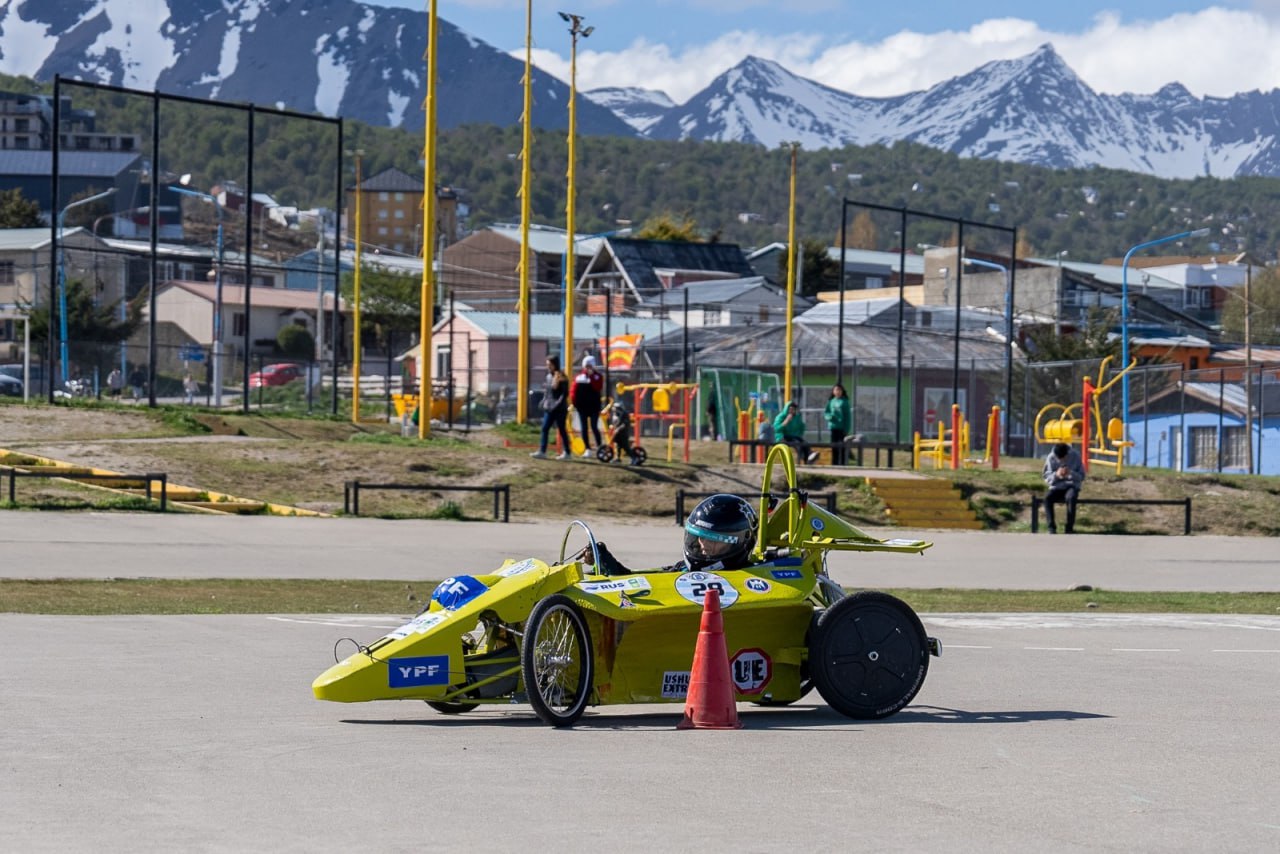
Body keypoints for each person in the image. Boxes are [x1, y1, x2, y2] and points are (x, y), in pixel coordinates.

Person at [588, 493, 759, 576]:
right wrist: (608, 564)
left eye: (715, 539)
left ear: (742, 542)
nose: (703, 544)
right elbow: (641, 581)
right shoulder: (682, 570)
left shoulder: (756, 576)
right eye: (699, 535)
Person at [531, 355, 572, 460]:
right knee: (545, 428)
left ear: (555, 364)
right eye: (547, 364)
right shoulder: (549, 376)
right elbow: (548, 392)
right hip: (549, 407)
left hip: (559, 409)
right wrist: (543, 401)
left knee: (562, 429)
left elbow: (564, 394)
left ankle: (567, 453)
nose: (548, 366)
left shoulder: (561, 376)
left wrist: (557, 404)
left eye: (550, 364)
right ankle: (542, 451)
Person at [1043, 442, 1085, 533]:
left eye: (1064, 458)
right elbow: (1046, 476)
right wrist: (1056, 475)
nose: (1062, 461)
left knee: (1071, 497)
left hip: (1071, 485)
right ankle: (1051, 527)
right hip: (1057, 486)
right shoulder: (1051, 458)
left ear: (1067, 454)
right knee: (1047, 498)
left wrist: (1071, 473)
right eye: (1059, 459)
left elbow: (1082, 476)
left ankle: (1069, 528)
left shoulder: (1075, 456)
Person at [569, 354, 604, 456]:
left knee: (594, 426)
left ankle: (599, 447)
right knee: (584, 427)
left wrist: (591, 377)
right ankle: (587, 449)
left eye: (590, 366)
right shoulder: (579, 377)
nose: (588, 368)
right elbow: (573, 391)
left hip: (594, 406)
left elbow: (598, 387)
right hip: (582, 407)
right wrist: (574, 402)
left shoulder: (598, 376)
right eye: (586, 366)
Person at [773, 400, 819, 464]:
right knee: (797, 443)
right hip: (782, 437)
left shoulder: (796, 417)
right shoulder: (780, 417)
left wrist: (799, 433)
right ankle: (802, 460)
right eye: (790, 409)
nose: (792, 411)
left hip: (792, 436)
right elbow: (776, 429)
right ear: (786, 409)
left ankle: (810, 456)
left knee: (804, 443)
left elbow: (801, 427)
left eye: (793, 409)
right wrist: (786, 422)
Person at [824, 383, 852, 465]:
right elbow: (826, 413)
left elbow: (847, 417)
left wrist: (846, 429)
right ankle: (834, 464)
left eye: (839, 390)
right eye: (836, 390)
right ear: (833, 391)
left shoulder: (845, 402)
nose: (838, 392)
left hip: (842, 428)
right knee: (834, 447)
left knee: (842, 447)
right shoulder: (831, 402)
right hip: (833, 427)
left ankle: (843, 464)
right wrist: (829, 417)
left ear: (842, 391)